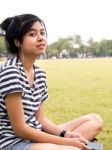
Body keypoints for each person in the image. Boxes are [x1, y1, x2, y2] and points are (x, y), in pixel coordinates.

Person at [0, 14, 103, 150]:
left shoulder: (40, 74)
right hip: (13, 142)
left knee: (95, 120)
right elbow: (20, 130)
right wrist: (66, 143)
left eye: (42, 33)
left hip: (35, 133)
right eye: (32, 34)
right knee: (72, 148)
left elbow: (40, 119)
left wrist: (65, 134)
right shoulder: (11, 72)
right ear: (18, 42)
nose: (41, 38)